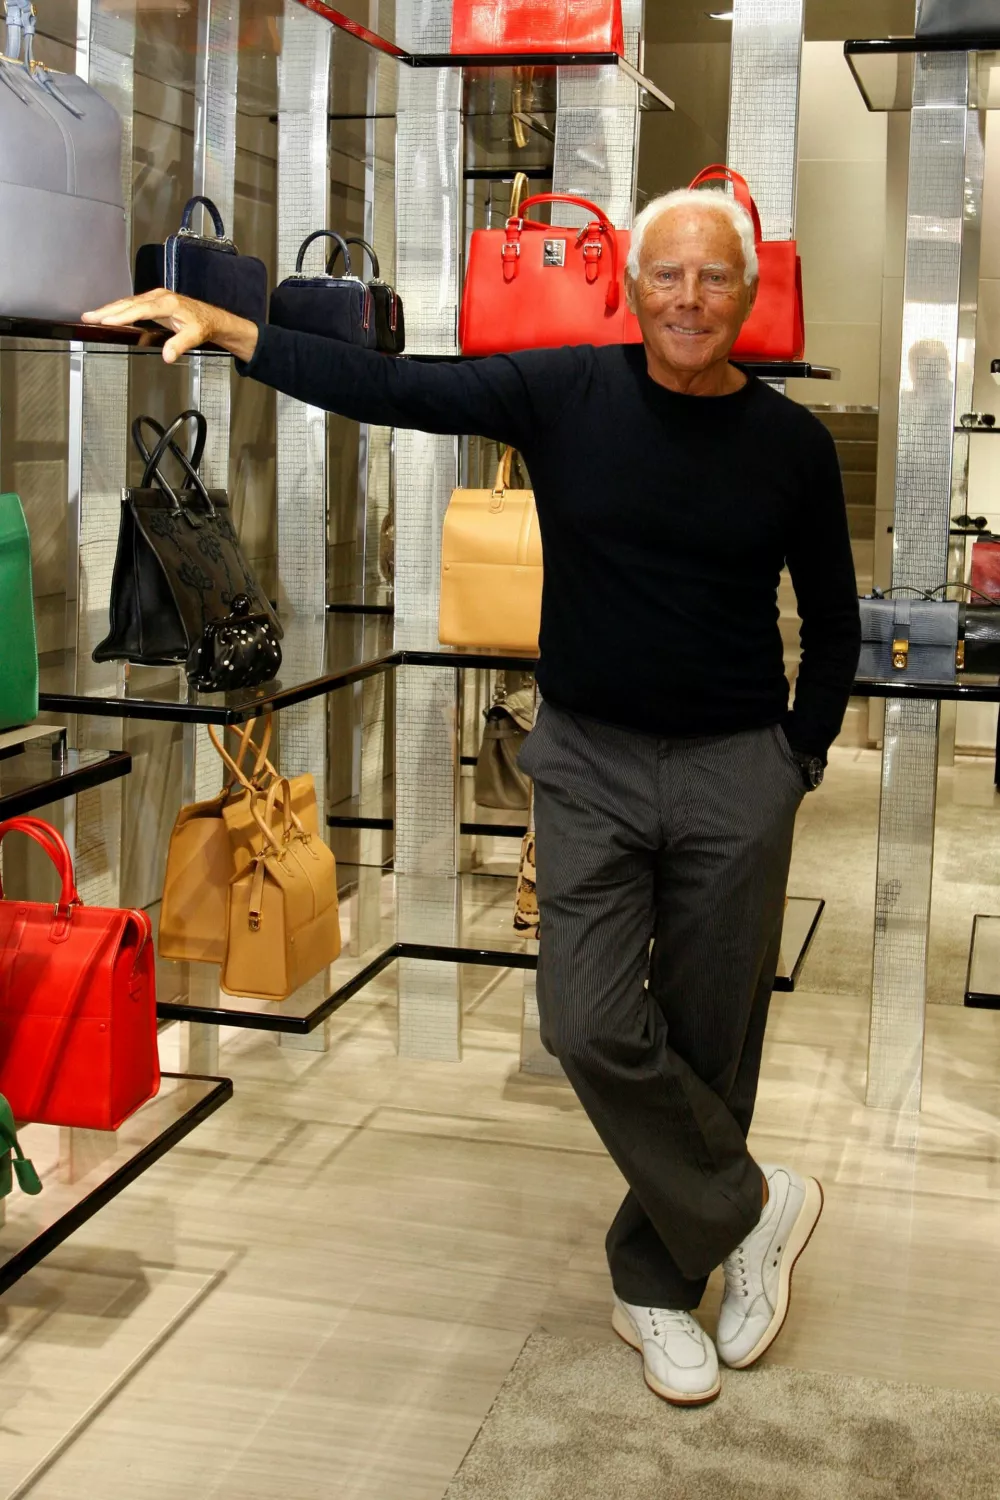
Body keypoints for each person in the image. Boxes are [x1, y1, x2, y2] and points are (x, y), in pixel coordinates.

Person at [84, 185, 861, 1408]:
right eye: (667, 275)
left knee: (713, 1040)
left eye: (715, 278)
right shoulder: (565, 393)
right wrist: (236, 333)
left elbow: (834, 618)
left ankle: (655, 1286)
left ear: (748, 297)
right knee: (587, 1024)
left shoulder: (791, 446)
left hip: (733, 771)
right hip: (592, 761)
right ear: (628, 288)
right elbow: (401, 387)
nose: (690, 299)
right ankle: (755, 1206)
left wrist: (794, 759)